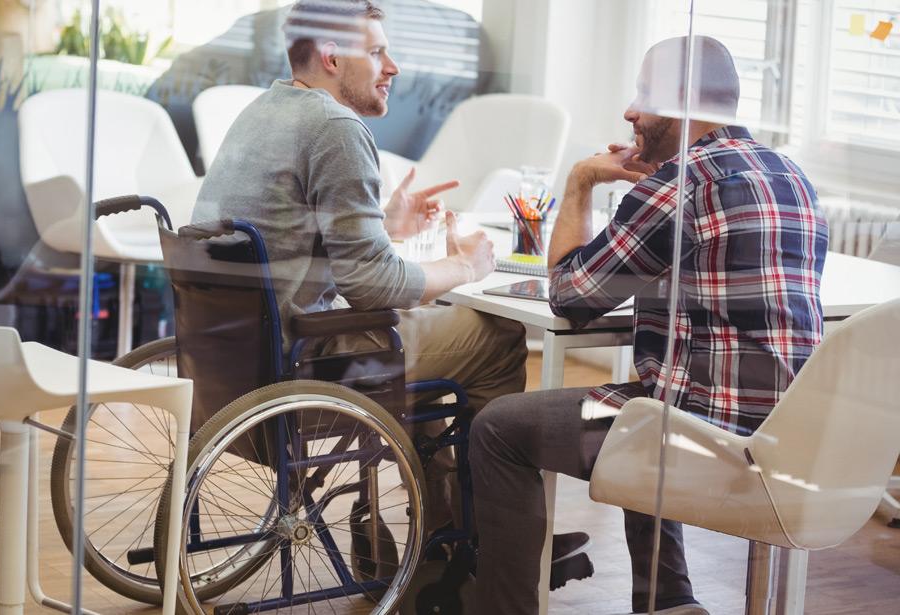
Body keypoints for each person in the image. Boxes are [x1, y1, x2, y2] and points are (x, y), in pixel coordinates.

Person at [469, 36, 828, 615]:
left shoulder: (680, 184)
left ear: (684, 100)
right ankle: (668, 600)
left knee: (499, 427)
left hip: (704, 443)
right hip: (795, 437)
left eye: (643, 94)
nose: (629, 110)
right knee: (650, 391)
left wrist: (582, 180)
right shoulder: (790, 175)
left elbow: (570, 294)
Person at [191, 0, 528, 533]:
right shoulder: (335, 127)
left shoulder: (264, 110)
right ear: (331, 55)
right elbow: (372, 285)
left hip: (231, 356)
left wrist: (385, 226)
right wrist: (464, 265)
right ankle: (492, 531)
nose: (392, 67)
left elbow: (282, 241)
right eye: (376, 52)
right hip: (303, 359)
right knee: (496, 337)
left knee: (435, 351)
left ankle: (437, 520)